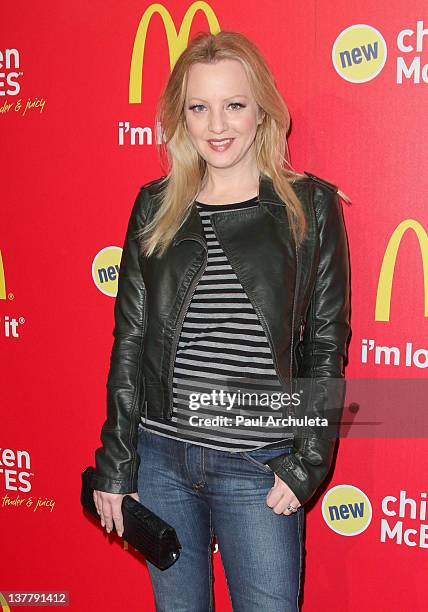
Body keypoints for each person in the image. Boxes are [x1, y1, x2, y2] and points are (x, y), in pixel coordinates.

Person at [91, 30, 351, 612]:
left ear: (262, 111)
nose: (217, 124)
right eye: (198, 106)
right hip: (161, 460)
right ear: (179, 117)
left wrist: (306, 460)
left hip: (259, 468)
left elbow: (324, 345)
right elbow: (130, 341)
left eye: (234, 104)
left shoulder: (308, 206)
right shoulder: (155, 207)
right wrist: (117, 462)